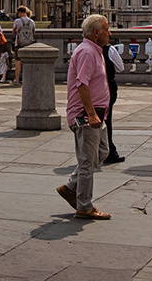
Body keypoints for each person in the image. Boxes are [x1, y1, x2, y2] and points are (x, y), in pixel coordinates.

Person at [56, 14, 112, 220]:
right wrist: (90, 114)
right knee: (88, 161)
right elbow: (82, 84)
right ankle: (84, 206)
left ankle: (71, 187)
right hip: (86, 114)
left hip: (97, 112)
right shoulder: (88, 52)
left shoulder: (95, 50)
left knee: (103, 151)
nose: (110, 33)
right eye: (106, 29)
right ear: (96, 33)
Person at [103, 39, 125, 164]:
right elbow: (120, 67)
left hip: (89, 88)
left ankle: (104, 149)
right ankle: (109, 151)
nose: (109, 33)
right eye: (106, 30)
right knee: (106, 119)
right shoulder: (109, 50)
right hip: (107, 88)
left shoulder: (82, 49)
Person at [11, 6, 35, 86]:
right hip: (29, 44)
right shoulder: (31, 22)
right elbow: (33, 32)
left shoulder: (17, 21)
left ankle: (17, 79)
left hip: (19, 44)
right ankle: (28, 79)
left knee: (18, 61)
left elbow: (13, 31)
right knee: (28, 62)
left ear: (20, 13)